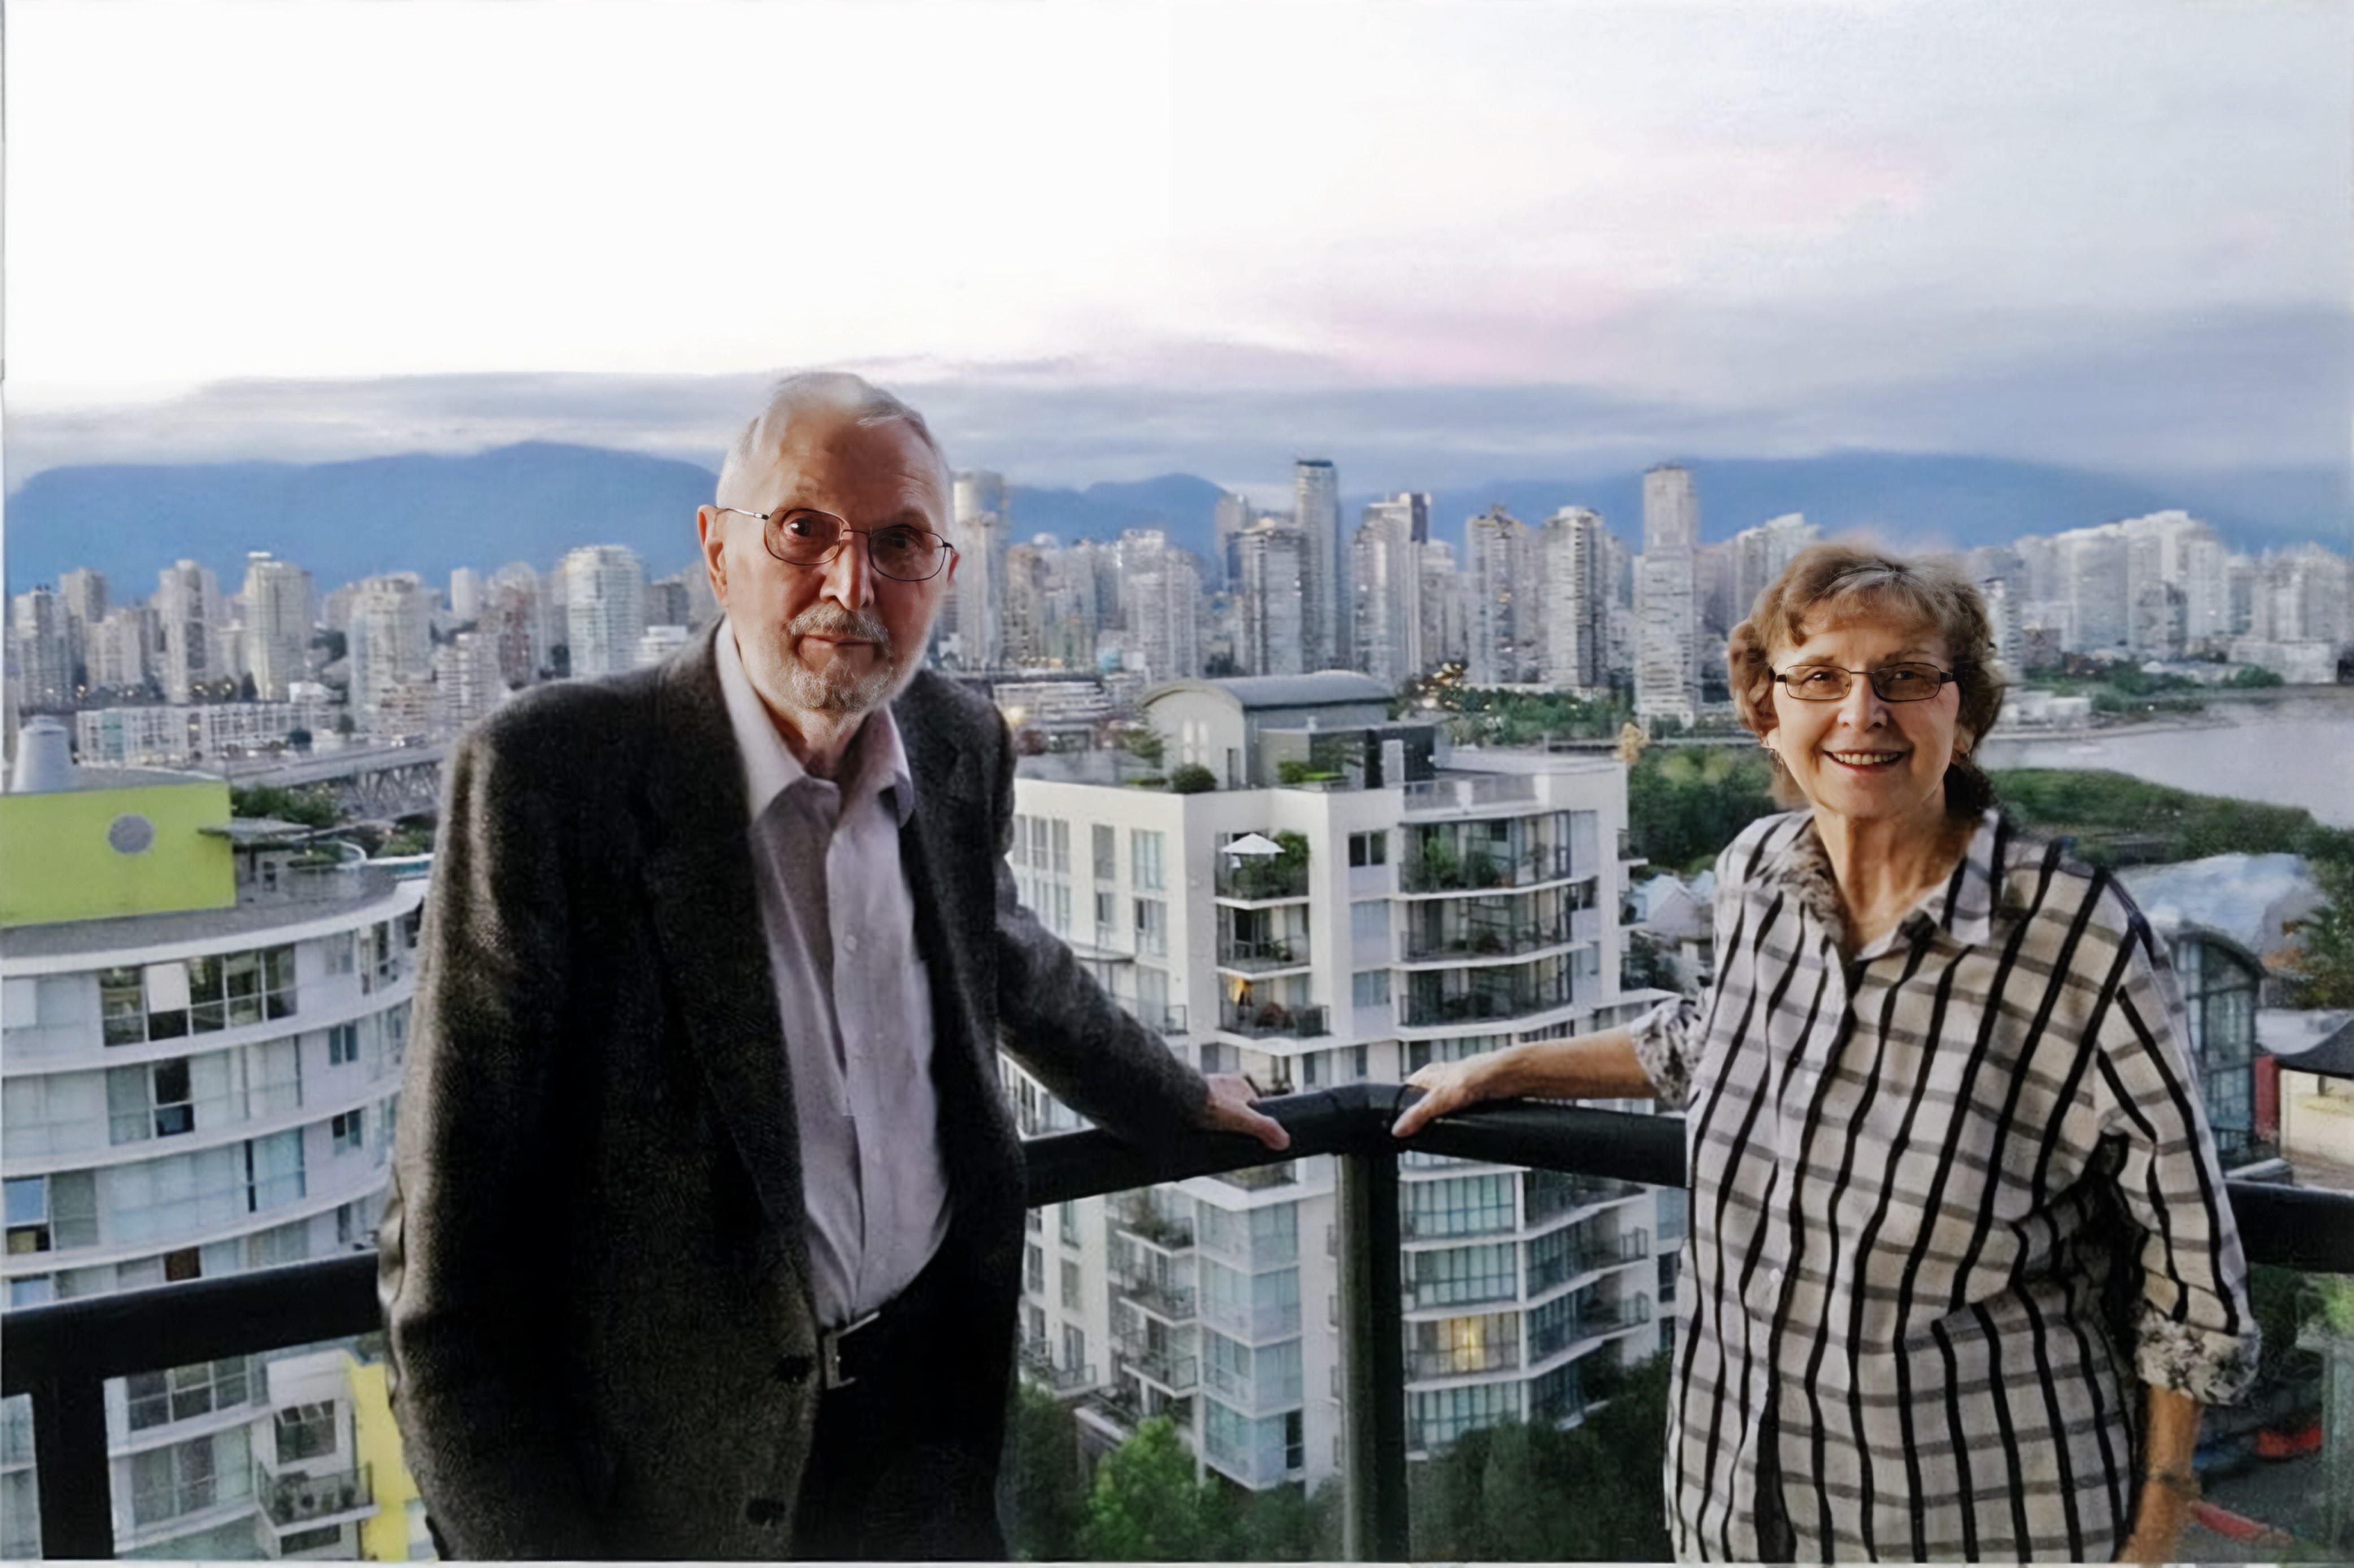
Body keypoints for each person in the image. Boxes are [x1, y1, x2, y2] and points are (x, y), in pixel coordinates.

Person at [378, 371, 1288, 1560]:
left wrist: (1169, 1097)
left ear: (945, 573)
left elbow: (997, 948)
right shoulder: (553, 778)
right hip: (679, 1473)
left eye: (901, 542)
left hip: (929, 1433)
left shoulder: (956, 743)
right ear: (718, 551)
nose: (852, 586)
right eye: (805, 529)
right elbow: (451, 1260)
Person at [1393, 542, 2257, 1563]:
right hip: (1735, 1502)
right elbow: (1708, 1042)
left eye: (1904, 678)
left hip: (1981, 1516)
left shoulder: (2072, 933)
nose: (1861, 713)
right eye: (1819, 679)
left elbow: (2189, 1252)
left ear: (1963, 713)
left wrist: (2156, 1518)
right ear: (1767, 709)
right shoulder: (1759, 874)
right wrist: (1502, 1071)